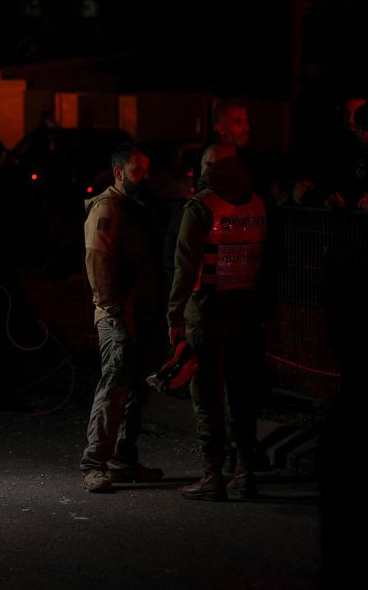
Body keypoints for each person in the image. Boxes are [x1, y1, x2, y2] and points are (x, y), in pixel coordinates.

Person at [167, 144, 268, 501]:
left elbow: (185, 267)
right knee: (242, 392)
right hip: (246, 310)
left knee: (207, 393)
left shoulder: (201, 207)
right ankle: (245, 472)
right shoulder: (258, 203)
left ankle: (213, 474)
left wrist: (174, 315)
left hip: (207, 309)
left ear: (209, 166)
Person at [80, 142, 165, 493]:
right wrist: (113, 311)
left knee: (134, 388)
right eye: (137, 171)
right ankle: (95, 463)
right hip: (120, 313)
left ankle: (123, 460)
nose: (144, 178)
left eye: (146, 170)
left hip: (139, 310)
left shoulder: (132, 207)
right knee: (115, 385)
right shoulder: (109, 209)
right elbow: (98, 261)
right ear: (119, 173)